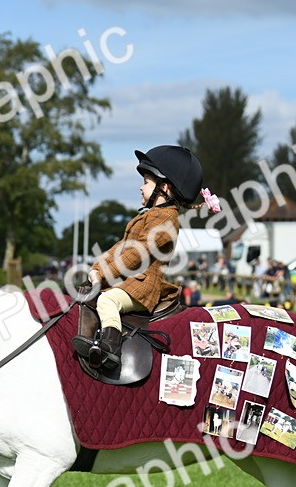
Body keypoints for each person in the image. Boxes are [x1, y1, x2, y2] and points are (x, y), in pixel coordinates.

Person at [72, 145, 218, 370]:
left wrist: (103, 273)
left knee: (107, 300)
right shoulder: (150, 216)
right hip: (129, 283)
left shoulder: (166, 221)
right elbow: (121, 248)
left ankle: (110, 347)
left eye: (146, 182)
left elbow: (136, 253)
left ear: (165, 187)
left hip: (142, 288)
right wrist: (97, 267)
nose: (141, 187)